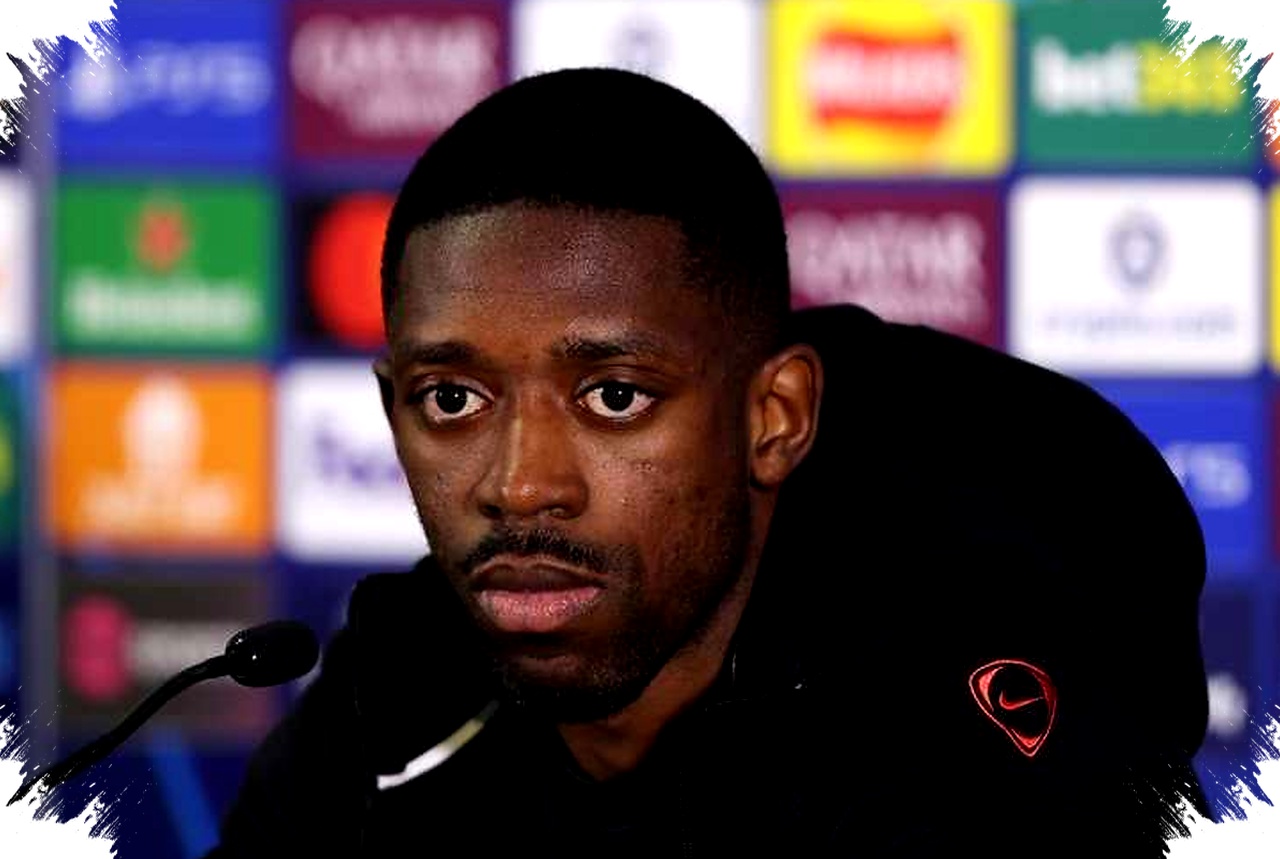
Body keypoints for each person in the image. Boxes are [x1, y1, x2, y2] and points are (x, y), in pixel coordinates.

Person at [207, 68, 1211, 857]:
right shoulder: (398, 699)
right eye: (453, 400)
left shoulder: (956, 660)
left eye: (613, 397)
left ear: (774, 420)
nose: (518, 484)